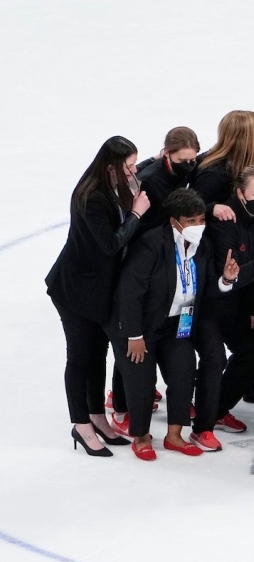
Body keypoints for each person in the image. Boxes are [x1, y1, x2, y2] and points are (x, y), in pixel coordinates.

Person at [108, 188, 239, 460]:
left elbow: (206, 289)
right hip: (140, 328)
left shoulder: (203, 245)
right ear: (174, 221)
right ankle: (141, 436)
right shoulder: (151, 244)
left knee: (182, 374)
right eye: (191, 221)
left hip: (176, 324)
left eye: (201, 220)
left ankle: (175, 435)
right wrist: (134, 335)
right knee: (143, 383)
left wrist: (225, 280)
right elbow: (130, 293)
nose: (198, 226)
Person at [47, 136, 147, 456]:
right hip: (75, 289)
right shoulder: (92, 197)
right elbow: (109, 244)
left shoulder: (113, 186)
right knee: (80, 356)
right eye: (128, 166)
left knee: (98, 353)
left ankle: (96, 417)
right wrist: (136, 214)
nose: (133, 172)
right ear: (111, 167)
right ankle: (80, 424)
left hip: (98, 289)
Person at [197, 167, 254, 437]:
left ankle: (217, 410)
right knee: (214, 359)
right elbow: (233, 276)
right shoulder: (224, 224)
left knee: (251, 352)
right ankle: (201, 417)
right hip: (211, 306)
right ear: (240, 193)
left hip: (237, 305)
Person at [190, 110, 254, 220]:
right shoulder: (214, 175)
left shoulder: (232, 162)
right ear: (248, 139)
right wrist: (210, 208)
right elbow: (192, 209)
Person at [134, 127, 201, 232]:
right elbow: (141, 225)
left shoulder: (190, 167)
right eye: (182, 160)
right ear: (166, 153)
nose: (188, 166)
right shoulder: (149, 181)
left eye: (192, 160)